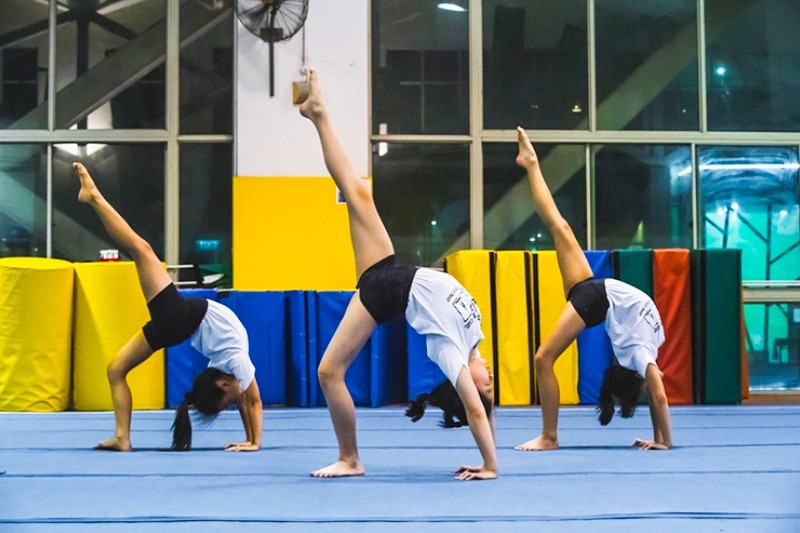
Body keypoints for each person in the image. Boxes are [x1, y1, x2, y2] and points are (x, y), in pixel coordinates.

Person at [299, 69, 497, 480]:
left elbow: (475, 409)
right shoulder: (474, 336)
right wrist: (484, 440)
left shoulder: (449, 352)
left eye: (486, 385)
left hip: (387, 291)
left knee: (327, 372)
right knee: (358, 192)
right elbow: (479, 411)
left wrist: (490, 466)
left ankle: (350, 459)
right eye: (492, 384)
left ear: (466, 387)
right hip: (393, 272)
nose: (490, 378)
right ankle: (318, 114)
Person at [73, 162, 263, 452]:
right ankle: (122, 437)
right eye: (229, 403)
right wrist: (252, 441)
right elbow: (250, 402)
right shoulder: (228, 364)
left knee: (141, 249)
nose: (233, 404)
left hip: (177, 318)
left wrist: (253, 441)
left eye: (227, 404)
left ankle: (95, 197)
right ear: (224, 385)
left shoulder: (232, 364)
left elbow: (250, 401)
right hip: (174, 323)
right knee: (115, 370)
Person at [513, 127, 672, 452]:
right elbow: (657, 393)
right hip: (599, 296)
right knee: (543, 358)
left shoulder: (644, 352)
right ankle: (550, 437)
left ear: (636, 380)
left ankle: (532, 165)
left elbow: (657, 391)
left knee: (559, 226)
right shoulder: (641, 356)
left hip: (602, 294)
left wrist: (661, 439)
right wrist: (664, 442)